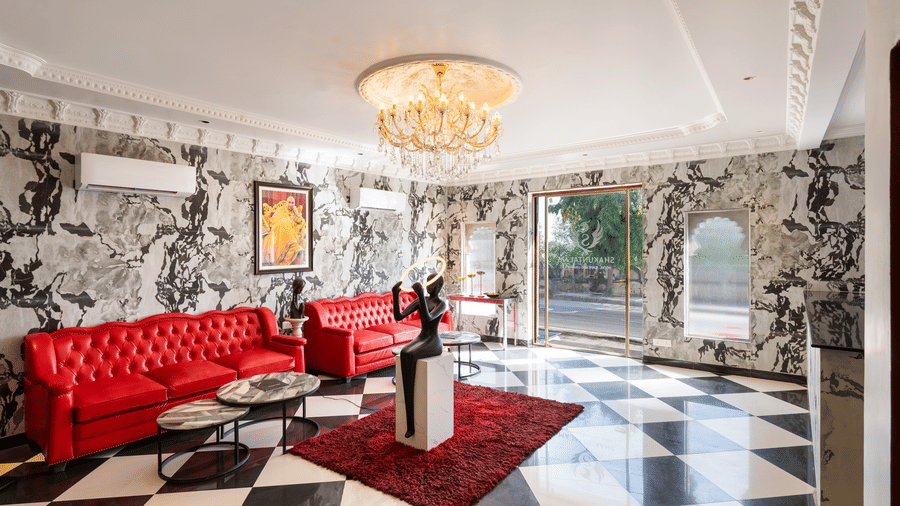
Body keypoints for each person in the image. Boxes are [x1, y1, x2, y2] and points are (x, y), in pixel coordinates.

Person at [392, 273, 447, 438]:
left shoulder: (441, 304)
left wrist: (420, 295)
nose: (429, 286)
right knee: (404, 352)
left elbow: (430, 318)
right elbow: (398, 316)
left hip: (433, 342)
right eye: (428, 283)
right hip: (422, 338)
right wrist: (395, 294)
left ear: (439, 286)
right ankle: (410, 423)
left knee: (408, 353)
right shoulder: (421, 300)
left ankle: (411, 426)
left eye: (433, 284)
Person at [261, 196, 307, 266]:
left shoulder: (295, 211)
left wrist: (296, 212)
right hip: (279, 228)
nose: (291, 204)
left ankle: (294, 249)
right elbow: (273, 220)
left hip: (291, 230)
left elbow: (301, 221)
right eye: (289, 202)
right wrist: (285, 221)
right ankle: (295, 247)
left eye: (292, 203)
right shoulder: (281, 209)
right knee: (284, 222)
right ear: (286, 203)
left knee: (287, 225)